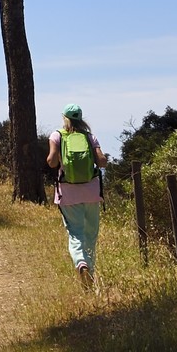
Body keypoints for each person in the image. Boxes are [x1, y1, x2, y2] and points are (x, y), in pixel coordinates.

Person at [47, 103, 107, 288]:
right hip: (91, 193)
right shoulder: (90, 137)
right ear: (81, 119)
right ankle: (90, 272)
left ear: (64, 118)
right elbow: (102, 161)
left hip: (68, 194)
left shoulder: (57, 135)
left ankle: (81, 263)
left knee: (75, 234)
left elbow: (51, 161)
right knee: (91, 234)